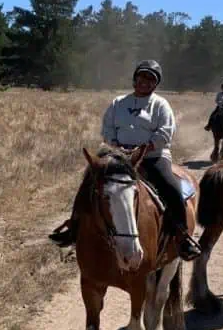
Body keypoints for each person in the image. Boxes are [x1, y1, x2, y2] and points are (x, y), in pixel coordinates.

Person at [49, 60, 202, 260]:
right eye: (142, 77)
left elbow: (165, 132)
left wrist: (144, 148)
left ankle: (182, 237)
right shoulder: (118, 103)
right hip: (118, 156)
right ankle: (74, 229)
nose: (145, 82)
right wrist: (116, 146)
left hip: (152, 156)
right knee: (89, 182)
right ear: (134, 79)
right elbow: (107, 128)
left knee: (170, 187)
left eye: (150, 79)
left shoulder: (160, 105)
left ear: (155, 84)